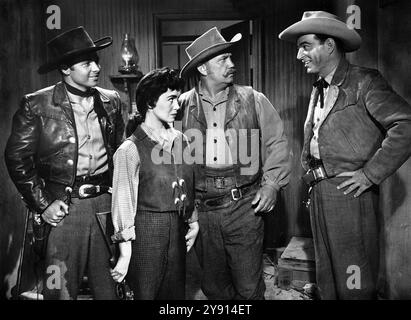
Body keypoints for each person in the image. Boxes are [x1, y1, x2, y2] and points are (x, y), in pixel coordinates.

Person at [279, 11, 411, 299]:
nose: (299, 54)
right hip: (320, 192)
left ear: (329, 46)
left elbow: (405, 124)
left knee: (354, 277)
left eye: (305, 45)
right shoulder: (319, 88)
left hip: (349, 195)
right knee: (328, 275)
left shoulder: (364, 81)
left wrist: (370, 174)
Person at [4, 26, 125, 300]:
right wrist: (43, 204)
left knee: (110, 291)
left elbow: (120, 152)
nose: (96, 67)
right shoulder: (37, 105)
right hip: (64, 211)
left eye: (96, 61)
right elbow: (16, 157)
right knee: (58, 291)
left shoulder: (112, 101)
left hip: (105, 207)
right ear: (66, 69)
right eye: (87, 63)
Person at [178, 27, 291, 300]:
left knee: (249, 288)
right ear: (203, 69)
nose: (232, 65)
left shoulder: (253, 99)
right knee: (215, 289)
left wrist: (273, 184)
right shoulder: (180, 106)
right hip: (201, 211)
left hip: (245, 207)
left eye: (231, 57)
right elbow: (170, 158)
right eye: (223, 60)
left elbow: (277, 143)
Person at [110, 67, 199, 300]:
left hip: (177, 231)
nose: (177, 106)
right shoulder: (129, 150)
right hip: (146, 234)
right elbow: (123, 203)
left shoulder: (182, 140)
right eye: (170, 99)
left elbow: (188, 184)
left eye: (177, 99)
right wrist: (125, 254)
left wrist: (194, 221)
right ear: (150, 102)